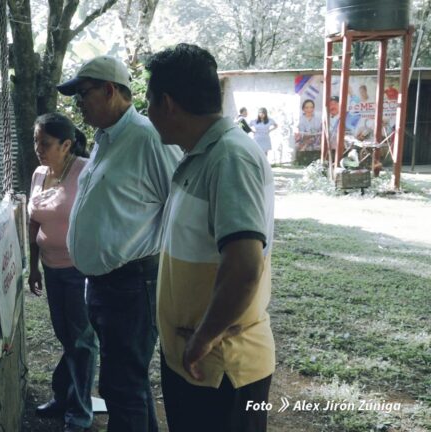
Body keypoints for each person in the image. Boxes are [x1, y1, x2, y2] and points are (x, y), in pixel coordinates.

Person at [145, 43, 276, 432]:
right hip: (196, 362)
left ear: (167, 103)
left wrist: (203, 338)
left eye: (148, 102)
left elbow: (245, 267)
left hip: (222, 369)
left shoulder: (229, 158)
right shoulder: (201, 154)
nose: (146, 113)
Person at [57, 55, 183, 431]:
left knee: (121, 386)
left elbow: (181, 203)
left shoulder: (146, 137)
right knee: (128, 383)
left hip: (132, 284)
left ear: (111, 90)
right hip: (104, 284)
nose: (78, 103)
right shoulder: (105, 138)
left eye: (84, 93)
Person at [28, 113, 97, 432]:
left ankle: (80, 412)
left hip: (79, 269)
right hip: (51, 268)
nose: (38, 148)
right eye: (36, 141)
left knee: (82, 341)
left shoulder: (85, 171)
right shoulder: (39, 173)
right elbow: (34, 221)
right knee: (66, 337)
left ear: (67, 144)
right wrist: (33, 265)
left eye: (46, 143)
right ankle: (64, 396)